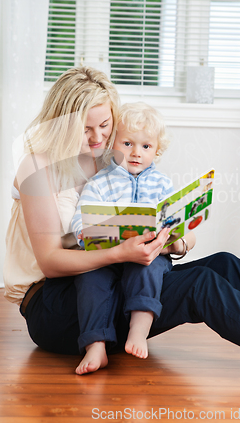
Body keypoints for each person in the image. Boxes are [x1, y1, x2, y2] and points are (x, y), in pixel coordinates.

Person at [4, 65, 240, 377]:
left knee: (224, 264)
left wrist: (173, 241)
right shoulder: (36, 166)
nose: (98, 137)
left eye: (105, 125)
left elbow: (169, 225)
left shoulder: (113, 157)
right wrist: (121, 253)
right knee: (200, 285)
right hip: (58, 304)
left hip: (118, 274)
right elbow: (50, 262)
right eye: (85, 128)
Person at [71, 102, 186, 373]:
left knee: (149, 267)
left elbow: (174, 222)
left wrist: (171, 234)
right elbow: (81, 216)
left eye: (145, 146)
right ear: (113, 144)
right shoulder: (100, 181)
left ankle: (138, 330)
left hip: (147, 254)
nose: (136, 153)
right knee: (89, 279)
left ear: (157, 149)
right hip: (108, 255)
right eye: (127, 143)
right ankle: (95, 345)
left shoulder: (162, 184)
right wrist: (84, 233)